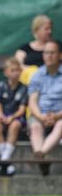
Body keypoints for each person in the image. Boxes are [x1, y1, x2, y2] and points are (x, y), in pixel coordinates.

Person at [27, 40, 62, 176]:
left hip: (59, 115)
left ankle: (39, 154)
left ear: (60, 55)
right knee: (35, 126)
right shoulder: (37, 74)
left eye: (52, 53)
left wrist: (56, 116)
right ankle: (42, 156)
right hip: (40, 115)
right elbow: (32, 101)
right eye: (46, 53)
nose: (49, 56)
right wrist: (41, 117)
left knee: (61, 125)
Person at [0, 57, 28, 176]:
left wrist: (12, 117)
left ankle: (3, 159)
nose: (15, 73)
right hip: (3, 116)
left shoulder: (24, 88)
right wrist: (1, 116)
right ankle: (6, 162)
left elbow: (22, 109)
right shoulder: (1, 86)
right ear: (6, 72)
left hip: (16, 117)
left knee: (15, 125)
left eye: (17, 70)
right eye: (12, 70)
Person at [15, 14, 54, 84]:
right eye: (46, 29)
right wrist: (34, 71)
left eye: (51, 28)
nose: (50, 31)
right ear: (36, 30)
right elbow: (17, 65)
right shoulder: (24, 48)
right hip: (27, 83)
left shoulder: (57, 47)